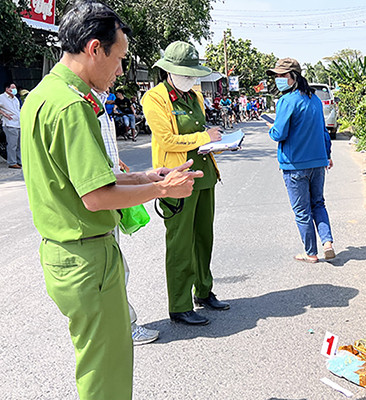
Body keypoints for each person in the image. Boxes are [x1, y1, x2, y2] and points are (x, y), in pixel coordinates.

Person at [19, 2, 203, 398]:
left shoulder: (43, 95)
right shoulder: (72, 107)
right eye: (119, 58)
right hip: (87, 258)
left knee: (97, 364)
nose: (121, 71)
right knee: (108, 373)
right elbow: (97, 197)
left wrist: (141, 176)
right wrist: (162, 190)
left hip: (65, 255)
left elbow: (74, 179)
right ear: (94, 48)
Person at [142, 41, 231, 326]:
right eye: (185, 72)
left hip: (204, 174)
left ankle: (204, 291)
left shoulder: (194, 95)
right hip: (175, 177)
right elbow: (167, 139)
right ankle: (179, 305)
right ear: (169, 71)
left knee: (204, 237)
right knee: (180, 242)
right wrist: (205, 138)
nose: (191, 78)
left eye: (193, 73)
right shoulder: (155, 99)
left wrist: (219, 142)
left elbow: (199, 131)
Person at [94, 88, 160, 345]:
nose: (119, 70)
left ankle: (120, 325)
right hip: (102, 199)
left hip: (110, 182)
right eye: (117, 60)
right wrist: (156, 188)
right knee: (115, 270)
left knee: (116, 268)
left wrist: (116, 162)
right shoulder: (80, 106)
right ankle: (125, 327)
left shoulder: (100, 103)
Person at [267, 57, 335, 263]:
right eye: (276, 75)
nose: (278, 79)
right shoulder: (314, 99)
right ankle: (327, 242)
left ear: (293, 77)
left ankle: (311, 252)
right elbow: (323, 131)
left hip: (294, 165)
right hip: (318, 162)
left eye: (281, 75)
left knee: (302, 210)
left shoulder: (286, 101)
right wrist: (328, 154)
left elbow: (279, 133)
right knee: (318, 204)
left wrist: (271, 128)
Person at [0, 82, 22, 169]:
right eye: (12, 88)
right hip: (10, 124)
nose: (14, 89)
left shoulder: (15, 99)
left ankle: (19, 161)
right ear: (7, 89)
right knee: (12, 144)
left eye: (15, 88)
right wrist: (4, 114)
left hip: (18, 124)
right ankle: (12, 162)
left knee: (18, 144)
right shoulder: (2, 97)